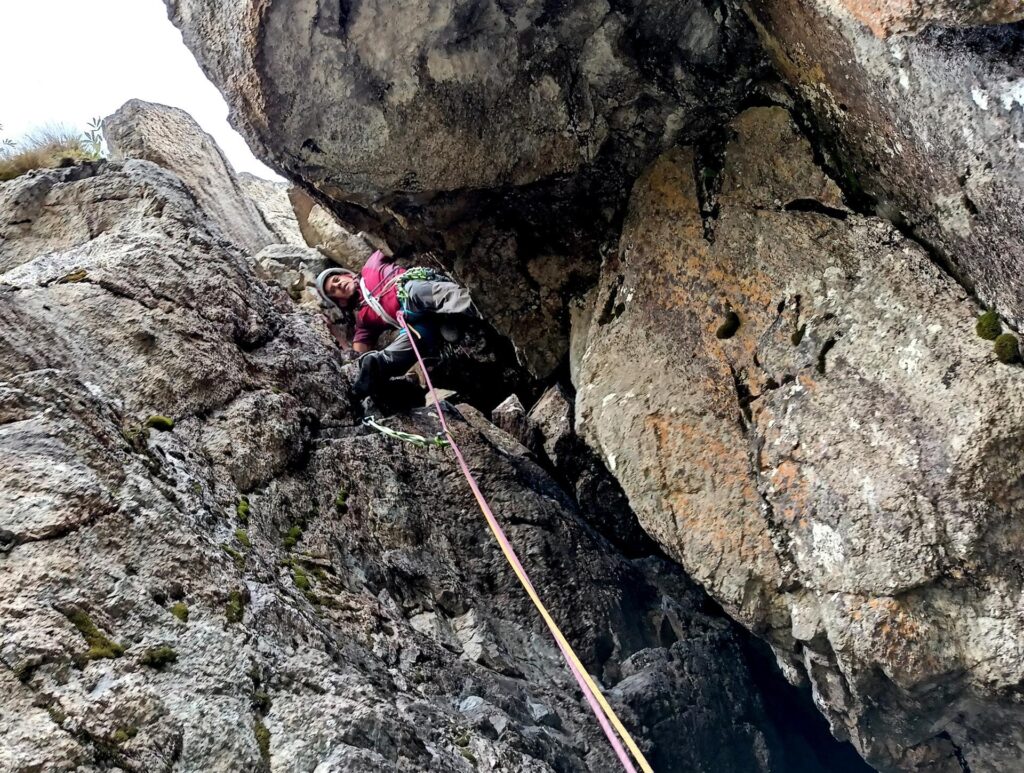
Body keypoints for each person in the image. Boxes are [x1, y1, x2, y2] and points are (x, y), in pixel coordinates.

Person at [316, 251, 476, 397]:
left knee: (413, 291)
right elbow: (356, 354)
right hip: (417, 324)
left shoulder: (371, 265)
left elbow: (388, 243)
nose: (338, 286)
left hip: (415, 291)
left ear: (346, 275)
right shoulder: (363, 320)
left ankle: (474, 304)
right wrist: (337, 336)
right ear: (340, 301)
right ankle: (378, 368)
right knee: (405, 343)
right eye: (333, 290)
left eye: (336, 280)